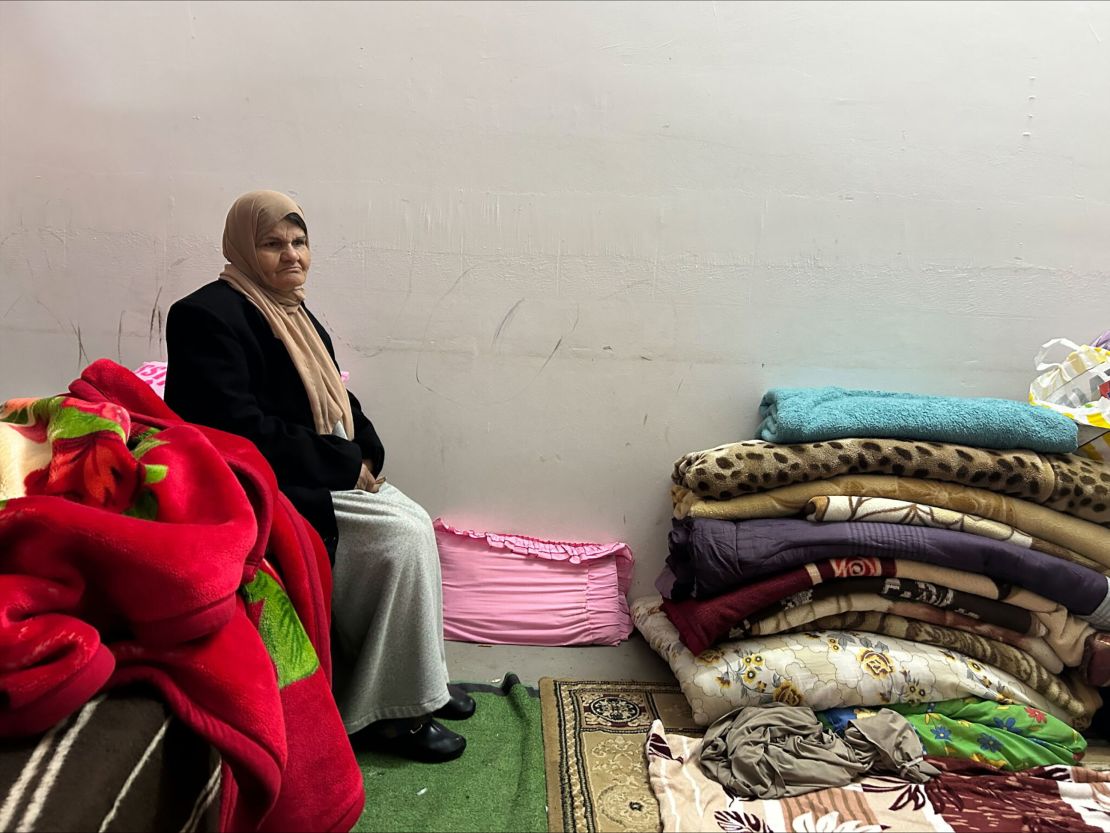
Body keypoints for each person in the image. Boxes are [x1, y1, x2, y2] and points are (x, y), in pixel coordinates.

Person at [164, 190, 473, 763]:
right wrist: (341, 463)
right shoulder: (206, 315)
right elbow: (237, 427)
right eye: (272, 243)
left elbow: (334, 392)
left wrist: (367, 450)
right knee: (399, 540)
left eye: (300, 242)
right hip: (260, 482)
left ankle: (421, 684)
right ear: (241, 247)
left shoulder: (293, 312)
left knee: (414, 520)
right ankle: (389, 717)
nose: (292, 256)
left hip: (311, 465)